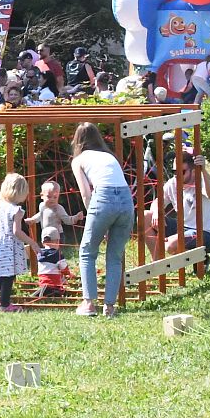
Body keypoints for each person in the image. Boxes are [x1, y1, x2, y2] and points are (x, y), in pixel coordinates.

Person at [68, 123, 132, 317]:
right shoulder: (109, 156)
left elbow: (86, 194)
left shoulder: (78, 160)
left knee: (87, 251)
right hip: (126, 200)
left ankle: (88, 304)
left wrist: (94, 217)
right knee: (115, 256)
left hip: (102, 198)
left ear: (77, 140)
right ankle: (109, 307)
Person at [151, 150, 210, 264]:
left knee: (170, 246)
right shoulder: (173, 183)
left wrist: (203, 170)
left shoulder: (200, 181)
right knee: (145, 216)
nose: (177, 175)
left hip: (207, 234)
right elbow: (158, 201)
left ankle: (200, 258)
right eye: (174, 171)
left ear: (193, 171)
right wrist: (156, 212)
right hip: (184, 228)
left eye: (181, 171)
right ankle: (157, 264)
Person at [0, 174, 32, 309]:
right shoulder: (16, 210)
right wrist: (32, 243)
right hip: (10, 246)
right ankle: (5, 304)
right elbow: (17, 232)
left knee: (4, 272)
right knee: (9, 275)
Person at [33, 228, 71, 295]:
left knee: (47, 286)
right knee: (59, 291)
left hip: (42, 280)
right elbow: (64, 268)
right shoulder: (58, 254)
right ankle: (51, 291)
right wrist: (68, 273)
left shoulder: (39, 253)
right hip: (53, 282)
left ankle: (43, 290)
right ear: (57, 241)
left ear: (43, 242)